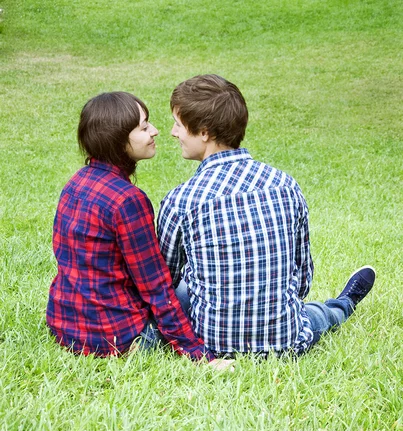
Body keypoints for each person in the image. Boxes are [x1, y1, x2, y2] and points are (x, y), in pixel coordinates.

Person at [157, 74, 376, 357]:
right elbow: (302, 280)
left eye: (178, 125)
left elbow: (165, 282)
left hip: (210, 345)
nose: (173, 133)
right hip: (286, 342)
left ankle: (341, 304)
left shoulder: (181, 200)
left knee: (186, 284)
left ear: (204, 132)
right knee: (315, 315)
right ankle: (344, 304)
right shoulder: (285, 184)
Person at [46, 91, 229, 368]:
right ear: (119, 140)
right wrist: (198, 356)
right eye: (144, 127)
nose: (155, 132)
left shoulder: (76, 183)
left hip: (64, 326)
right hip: (118, 337)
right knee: (192, 287)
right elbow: (157, 288)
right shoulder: (127, 200)